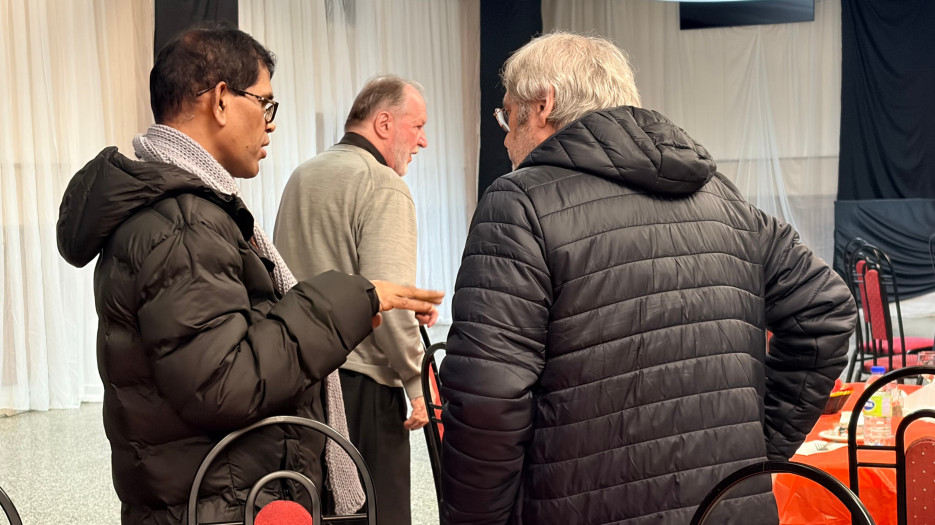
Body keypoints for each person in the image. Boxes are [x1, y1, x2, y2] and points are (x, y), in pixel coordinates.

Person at [439, 31, 857, 525]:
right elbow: (827, 310)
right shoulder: (724, 198)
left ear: (544, 103)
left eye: (507, 116)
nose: (506, 137)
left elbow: (488, 401)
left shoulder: (519, 203)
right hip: (726, 509)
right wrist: (756, 452)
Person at [55, 26, 442, 525]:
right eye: (265, 104)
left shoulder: (185, 207)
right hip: (222, 496)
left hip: (209, 486)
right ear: (220, 100)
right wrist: (350, 299)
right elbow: (225, 382)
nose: (270, 124)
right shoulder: (184, 222)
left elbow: (222, 337)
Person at [273, 74, 429, 525]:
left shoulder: (304, 174)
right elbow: (389, 302)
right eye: (417, 126)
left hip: (302, 382)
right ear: (384, 123)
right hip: (362, 386)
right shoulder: (382, 185)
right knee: (380, 515)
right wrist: (417, 382)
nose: (423, 141)